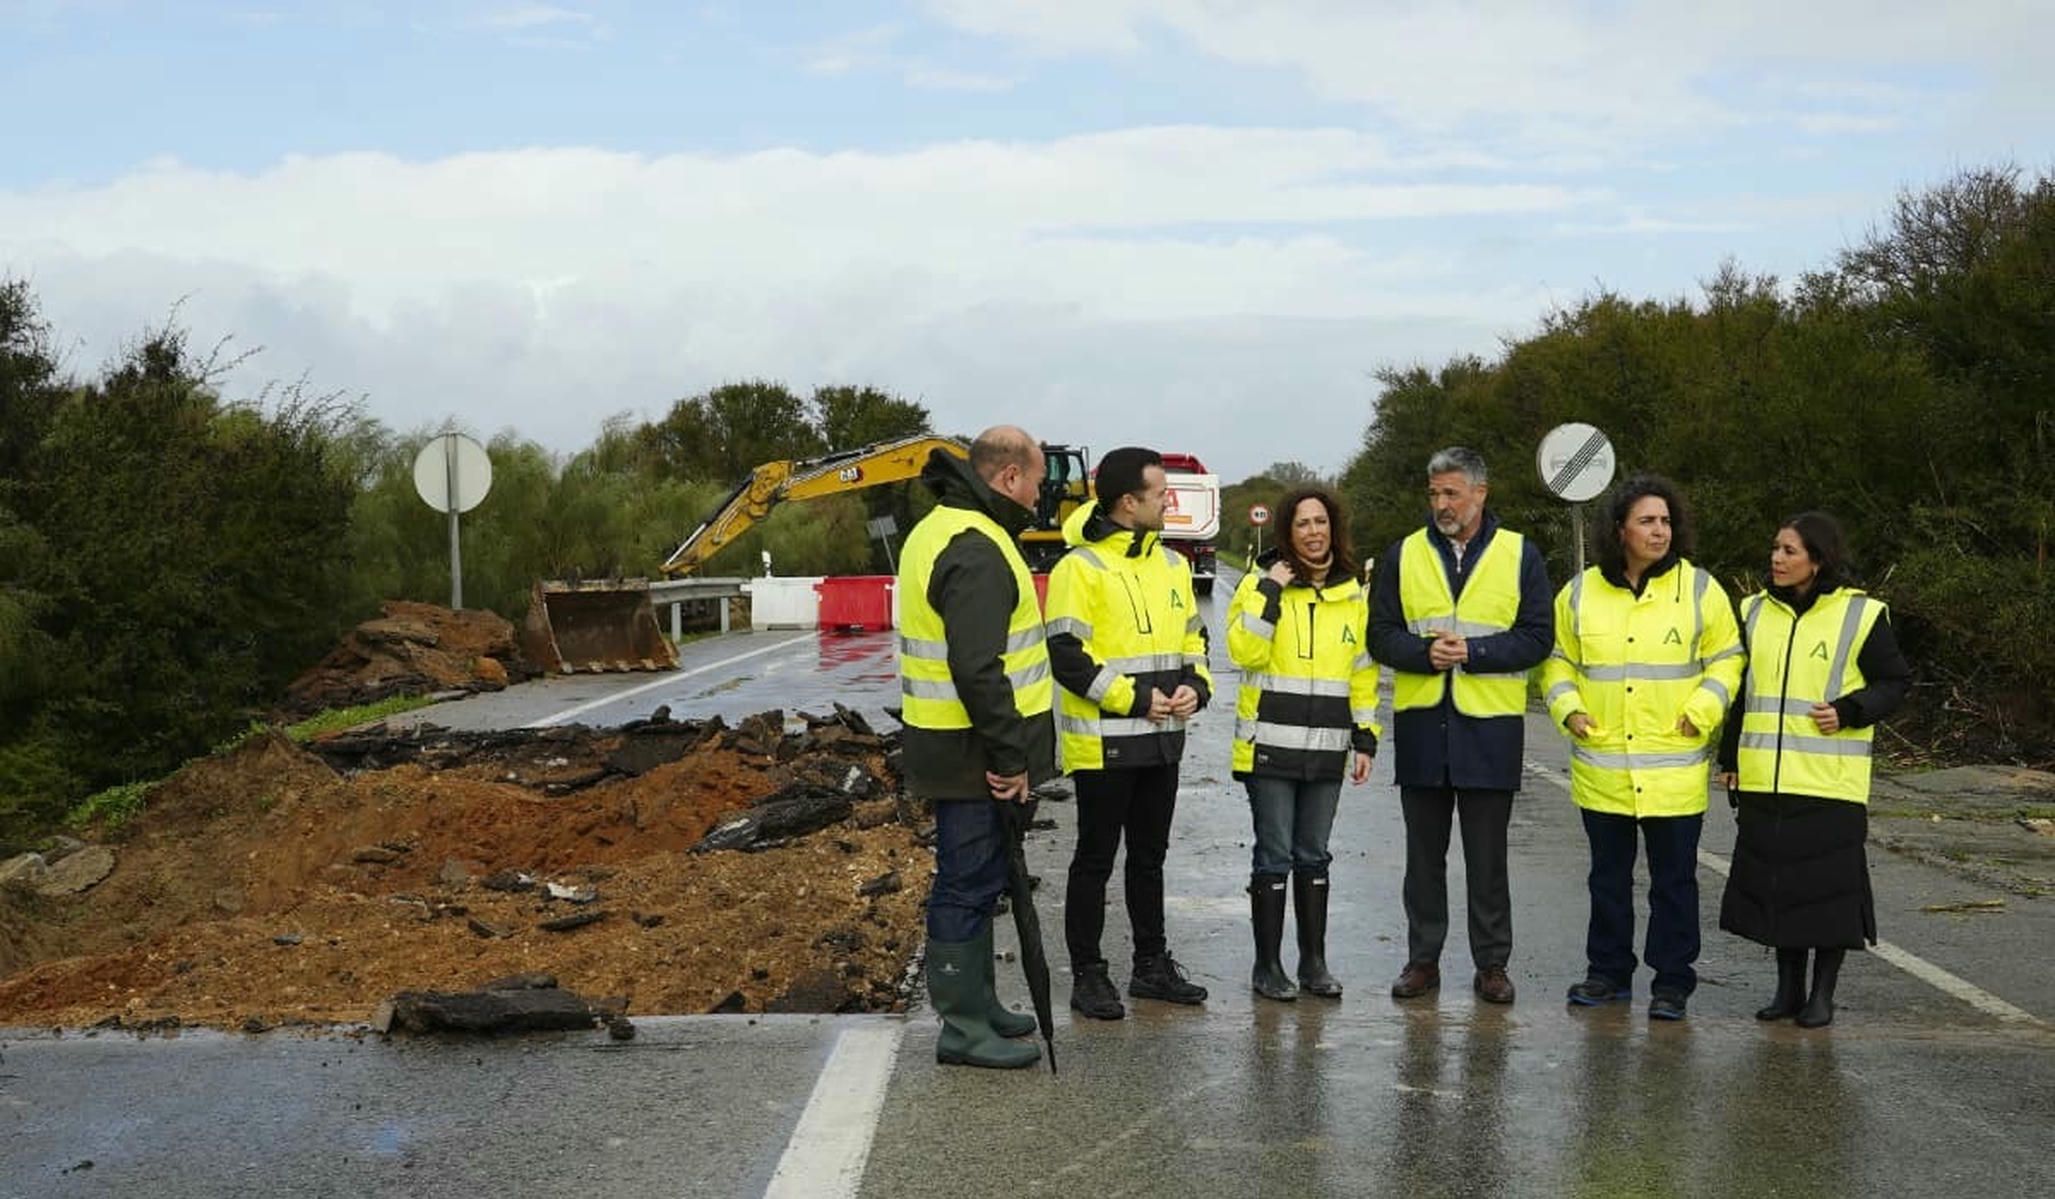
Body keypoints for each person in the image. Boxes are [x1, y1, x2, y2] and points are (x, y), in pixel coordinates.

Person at [1541, 474, 1744, 1021]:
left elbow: (1729, 658)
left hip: (1673, 770)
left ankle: (1672, 982)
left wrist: (1701, 712)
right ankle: (1608, 974)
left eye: (1666, 521)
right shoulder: (1581, 592)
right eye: (1647, 522)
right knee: (1607, 879)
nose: (1660, 531)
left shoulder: (1701, 590)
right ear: (1620, 531)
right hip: (1602, 768)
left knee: (1673, 883)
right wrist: (1569, 709)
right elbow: (1556, 659)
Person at [896, 426, 1058, 1069]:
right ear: (1010, 477)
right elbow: (978, 667)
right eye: (1039, 481)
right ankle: (962, 1028)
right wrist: (1010, 756)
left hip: (954, 744)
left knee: (982, 876)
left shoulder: (944, 529)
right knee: (965, 883)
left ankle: (981, 1005)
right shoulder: (976, 545)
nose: (1041, 495)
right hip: (971, 753)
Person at [1370, 446, 1554, 1005]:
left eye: (1451, 493)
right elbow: (1379, 634)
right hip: (1425, 729)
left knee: (1487, 859)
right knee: (1423, 859)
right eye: (1434, 494)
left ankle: (1492, 964)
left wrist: (1472, 651)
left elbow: (1536, 636)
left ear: (1481, 492)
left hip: (1489, 733)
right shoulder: (1402, 555)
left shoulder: (1520, 554)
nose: (1441, 504)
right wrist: (1424, 653)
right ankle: (1422, 960)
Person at [1717, 512, 1910, 1028]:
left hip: (1829, 784)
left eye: (1790, 551)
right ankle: (1787, 990)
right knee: (1778, 890)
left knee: (1828, 895)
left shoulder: (1860, 614)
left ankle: (1822, 995)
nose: (1777, 559)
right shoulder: (1752, 612)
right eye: (1776, 549)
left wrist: (1850, 710)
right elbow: (1742, 693)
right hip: (1765, 781)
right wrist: (1730, 757)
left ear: (1818, 559)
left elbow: (1894, 682)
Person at [1046, 446, 1214, 1019]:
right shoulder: (1079, 567)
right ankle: (1089, 975)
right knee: (1095, 859)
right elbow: (1067, 657)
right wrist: (1138, 699)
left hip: (1164, 739)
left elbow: (1195, 638)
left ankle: (1151, 966)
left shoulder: (1171, 564)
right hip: (1104, 741)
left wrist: (1197, 684)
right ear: (1127, 502)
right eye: (1159, 492)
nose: (1168, 500)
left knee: (1149, 858)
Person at [1227, 488, 1381, 1002]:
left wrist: (1366, 738)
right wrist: (1270, 591)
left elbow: (1363, 673)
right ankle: (1267, 966)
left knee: (1314, 855)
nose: (1313, 532)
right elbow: (1245, 651)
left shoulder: (1355, 592)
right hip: (1269, 747)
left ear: (1333, 528)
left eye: (1321, 523)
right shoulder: (1258, 583)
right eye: (1302, 524)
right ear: (1287, 534)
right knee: (1275, 855)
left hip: (1328, 749)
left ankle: (1313, 963)